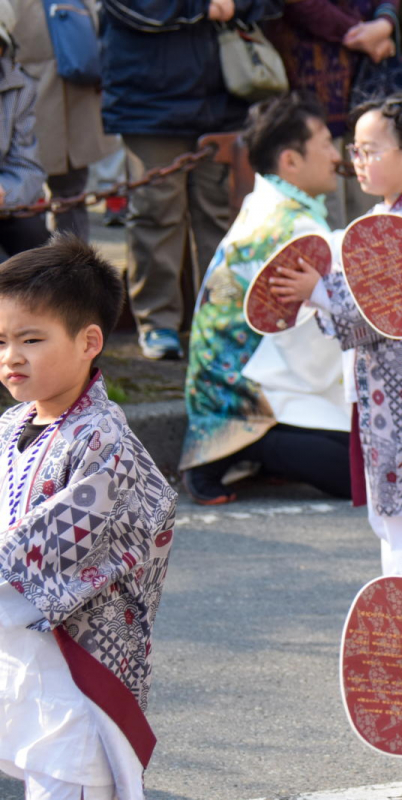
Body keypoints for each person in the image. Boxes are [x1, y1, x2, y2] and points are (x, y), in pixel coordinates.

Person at [270, 92, 402, 615]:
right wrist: (322, 291)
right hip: (393, 392)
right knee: (399, 520)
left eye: (371, 150)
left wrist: (319, 290)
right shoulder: (393, 219)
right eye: (355, 151)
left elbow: (378, 311)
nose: (358, 162)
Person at [0, 235, 177, 800]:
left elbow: (50, 551)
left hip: (80, 681)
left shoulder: (105, 441)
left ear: (89, 342)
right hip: (27, 661)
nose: (11, 357)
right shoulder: (12, 427)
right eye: (0, 341)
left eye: (31, 339)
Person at [180, 93, 353, 505]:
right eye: (326, 143)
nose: (335, 155)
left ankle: (257, 450)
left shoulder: (273, 207)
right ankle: (240, 446)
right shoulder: (293, 223)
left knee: (362, 448)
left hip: (240, 378)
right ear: (290, 161)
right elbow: (310, 338)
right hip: (246, 389)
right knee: (360, 470)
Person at [99, 0, 276, 360]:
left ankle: (220, 317)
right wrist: (202, 6)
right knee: (156, 212)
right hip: (148, 95)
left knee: (221, 214)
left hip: (226, 91)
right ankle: (157, 321)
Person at [262, 0, 400, 228]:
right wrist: (363, 34)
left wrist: (384, 23)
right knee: (327, 200)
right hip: (310, 85)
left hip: (368, 82)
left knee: (370, 197)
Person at [13, 0, 118, 242]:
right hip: (26, 108)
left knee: (69, 198)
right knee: (23, 203)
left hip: (70, 106)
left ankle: (72, 270)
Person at [0, 2, 49, 259]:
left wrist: (5, 192)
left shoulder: (21, 88)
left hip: (4, 205)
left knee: (36, 246)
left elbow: (27, 165)